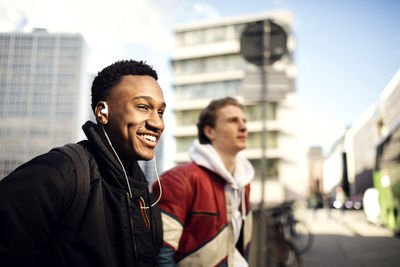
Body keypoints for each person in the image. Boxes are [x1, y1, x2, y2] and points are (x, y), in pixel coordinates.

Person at [0, 60, 166, 267]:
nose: (158, 123)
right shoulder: (59, 173)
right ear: (102, 112)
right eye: (143, 107)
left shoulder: (146, 200)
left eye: (160, 112)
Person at [153, 97, 254, 266]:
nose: (243, 127)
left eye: (244, 121)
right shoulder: (179, 180)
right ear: (209, 132)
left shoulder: (244, 183)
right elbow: (162, 255)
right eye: (232, 121)